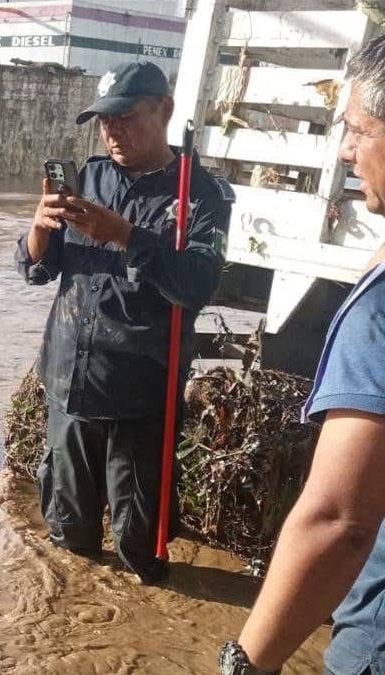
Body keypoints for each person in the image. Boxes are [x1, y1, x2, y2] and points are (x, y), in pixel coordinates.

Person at [16, 60, 233, 583]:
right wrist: (39, 228)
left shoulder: (201, 195)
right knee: (68, 539)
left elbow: (196, 285)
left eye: (128, 117)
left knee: (142, 550)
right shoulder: (88, 177)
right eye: (105, 121)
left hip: (141, 397)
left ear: (165, 111)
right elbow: (34, 270)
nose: (114, 132)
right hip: (70, 384)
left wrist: (126, 235)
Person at [218, 36, 385, 675]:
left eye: (358, 131)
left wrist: (246, 663)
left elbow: (339, 521)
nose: (345, 150)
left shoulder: (378, 313)